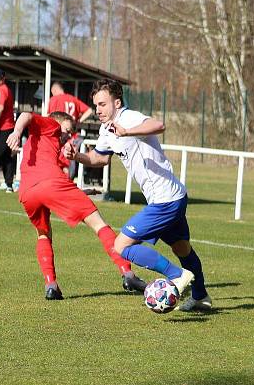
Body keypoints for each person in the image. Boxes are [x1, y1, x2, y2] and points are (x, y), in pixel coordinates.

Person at [64, 78, 206, 311]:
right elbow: (100, 158)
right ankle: (200, 296)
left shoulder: (128, 118)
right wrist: (76, 156)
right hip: (171, 197)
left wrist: (127, 132)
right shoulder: (106, 129)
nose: (98, 110)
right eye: (96, 105)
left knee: (121, 246)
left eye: (102, 104)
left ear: (117, 102)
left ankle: (178, 275)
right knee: (182, 248)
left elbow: (159, 125)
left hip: (165, 200)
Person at [6, 111, 147, 299]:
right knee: (99, 224)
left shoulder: (43, 142)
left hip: (27, 192)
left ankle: (51, 286)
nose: (67, 136)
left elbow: (49, 185)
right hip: (50, 184)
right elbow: (25, 115)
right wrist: (16, 132)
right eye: (68, 130)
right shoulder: (51, 126)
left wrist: (79, 192)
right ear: (57, 122)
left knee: (43, 234)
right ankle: (127, 273)